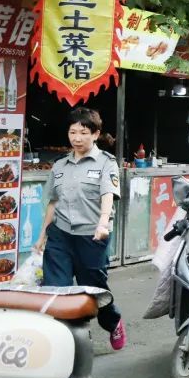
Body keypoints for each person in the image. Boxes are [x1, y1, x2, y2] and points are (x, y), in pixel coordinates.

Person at [36, 107, 126, 350]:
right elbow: (53, 201)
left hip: (92, 236)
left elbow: (108, 194)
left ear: (96, 134)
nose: (77, 138)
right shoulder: (60, 165)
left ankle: (113, 321)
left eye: (83, 132)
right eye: (72, 132)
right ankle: (66, 339)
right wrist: (43, 234)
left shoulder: (107, 163)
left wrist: (102, 222)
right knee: (56, 288)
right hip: (61, 235)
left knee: (94, 289)